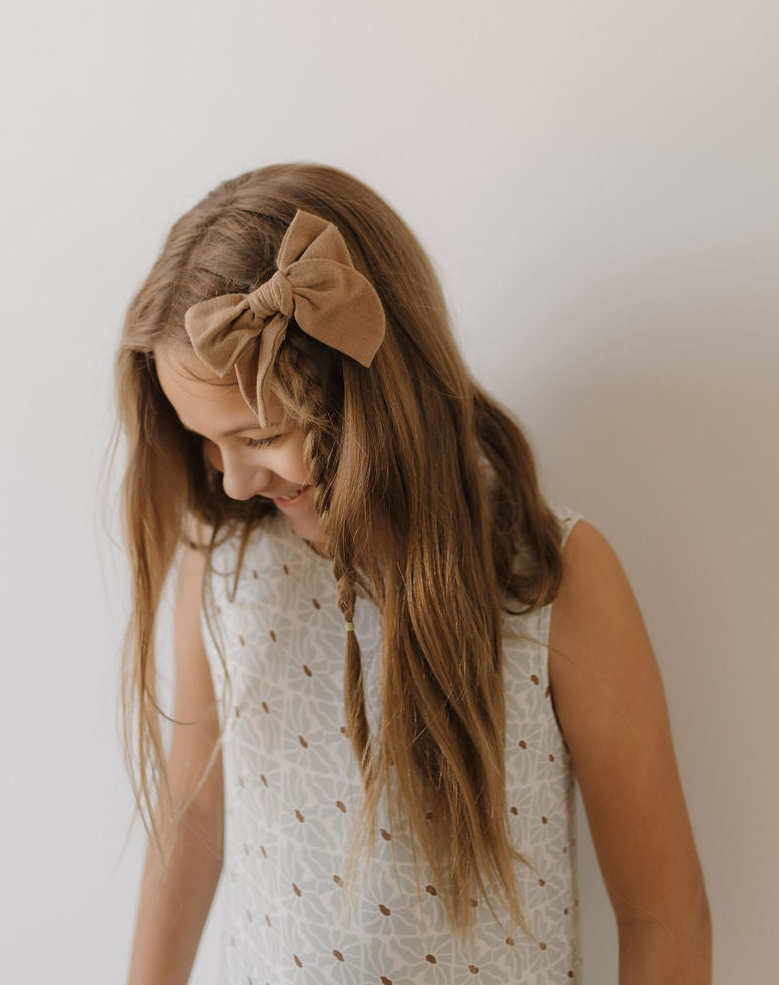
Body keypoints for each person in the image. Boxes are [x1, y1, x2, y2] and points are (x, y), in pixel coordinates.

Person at [115, 162, 710, 984]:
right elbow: (193, 820)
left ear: (366, 391)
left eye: (257, 437)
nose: (232, 481)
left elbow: (662, 916)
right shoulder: (224, 570)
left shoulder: (553, 583)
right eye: (206, 444)